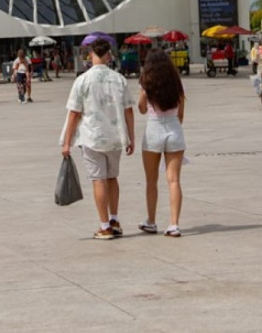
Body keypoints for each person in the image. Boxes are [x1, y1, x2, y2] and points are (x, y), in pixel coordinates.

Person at [60, 38, 135, 240]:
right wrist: (131, 137)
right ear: (109, 56)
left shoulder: (82, 80)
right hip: (115, 138)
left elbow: (74, 113)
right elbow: (129, 110)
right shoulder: (119, 79)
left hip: (92, 136)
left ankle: (104, 226)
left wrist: (66, 142)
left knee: (98, 180)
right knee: (112, 178)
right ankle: (114, 218)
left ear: (91, 55)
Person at [136, 48, 186, 237]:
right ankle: (174, 224)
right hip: (174, 128)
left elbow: (141, 108)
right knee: (174, 180)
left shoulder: (146, 80)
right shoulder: (176, 82)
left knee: (151, 180)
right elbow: (181, 114)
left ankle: (151, 220)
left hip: (153, 130)